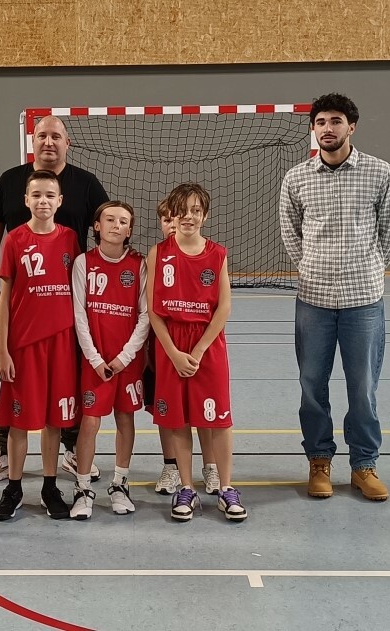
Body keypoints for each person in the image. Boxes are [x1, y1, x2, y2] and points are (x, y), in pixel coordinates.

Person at [0, 115, 109, 488]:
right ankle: (3, 452)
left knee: (66, 382)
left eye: (56, 136)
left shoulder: (86, 184)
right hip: (22, 305)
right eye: (42, 135)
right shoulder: (10, 180)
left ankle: (70, 449)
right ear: (32, 140)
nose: (49, 142)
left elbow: (106, 231)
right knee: (15, 383)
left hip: (67, 308)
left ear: (67, 143)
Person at [279, 93, 390, 501]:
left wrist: (368, 270)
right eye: (320, 122)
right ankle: (319, 461)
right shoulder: (296, 178)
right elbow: (291, 233)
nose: (327, 128)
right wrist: (312, 267)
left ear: (352, 127)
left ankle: (364, 465)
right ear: (312, 129)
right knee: (312, 385)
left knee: (362, 387)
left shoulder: (379, 172)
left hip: (363, 301)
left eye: (335, 121)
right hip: (313, 300)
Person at [146, 183, 247, 522]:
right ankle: (186, 487)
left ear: (205, 215)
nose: (188, 216)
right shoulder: (158, 252)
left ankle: (226, 487)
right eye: (182, 210)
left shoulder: (217, 253)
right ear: (172, 215)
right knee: (178, 419)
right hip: (171, 344)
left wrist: (200, 349)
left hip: (207, 343)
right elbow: (154, 311)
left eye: (195, 210)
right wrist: (173, 353)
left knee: (219, 419)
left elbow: (224, 307)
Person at [0, 170, 81, 521]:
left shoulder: (70, 239)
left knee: (54, 421)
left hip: (61, 342)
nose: (43, 201)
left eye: (49, 195)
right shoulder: (14, 239)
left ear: (60, 201)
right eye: (37, 195)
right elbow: (4, 299)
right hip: (24, 344)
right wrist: (2, 349)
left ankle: (49, 486)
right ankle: (13, 487)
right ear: (26, 200)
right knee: (19, 422)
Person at [70, 201, 148, 519]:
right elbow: (79, 314)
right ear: (97, 226)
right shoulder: (83, 263)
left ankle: (119, 484)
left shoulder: (139, 264)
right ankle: (83, 488)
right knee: (89, 422)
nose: (117, 225)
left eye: (123, 221)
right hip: (96, 361)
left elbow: (145, 315)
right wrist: (94, 358)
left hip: (127, 361)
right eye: (110, 219)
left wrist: (125, 357)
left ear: (129, 230)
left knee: (125, 418)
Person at [148, 199, 220, 497]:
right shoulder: (155, 256)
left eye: (174, 218)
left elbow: (218, 305)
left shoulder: (207, 254)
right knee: (167, 409)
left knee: (202, 406)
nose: (172, 225)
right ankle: (172, 465)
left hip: (193, 340)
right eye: (166, 220)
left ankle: (211, 466)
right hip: (160, 342)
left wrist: (199, 348)